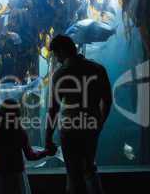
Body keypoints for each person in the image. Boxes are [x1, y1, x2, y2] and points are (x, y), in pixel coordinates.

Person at [45, 35, 112, 194]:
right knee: (89, 168)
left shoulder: (60, 74)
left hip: (69, 129)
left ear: (61, 51)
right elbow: (107, 100)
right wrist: (100, 122)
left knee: (73, 173)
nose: (57, 59)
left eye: (56, 54)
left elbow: (53, 109)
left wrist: (48, 138)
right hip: (91, 125)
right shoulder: (97, 69)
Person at [0, 99, 50, 194]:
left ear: (1, 114)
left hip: (1, 175)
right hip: (18, 175)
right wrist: (46, 152)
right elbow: (30, 156)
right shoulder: (21, 133)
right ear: (18, 114)